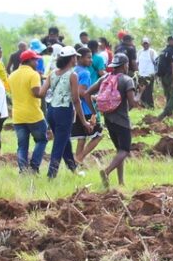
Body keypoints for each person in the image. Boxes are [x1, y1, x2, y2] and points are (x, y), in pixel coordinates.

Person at [91, 54, 137, 188]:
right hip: (122, 121)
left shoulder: (105, 77)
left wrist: (94, 112)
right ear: (124, 65)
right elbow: (132, 102)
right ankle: (106, 172)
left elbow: (87, 93)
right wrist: (140, 94)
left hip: (109, 120)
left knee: (119, 151)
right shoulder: (127, 80)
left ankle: (121, 182)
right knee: (125, 150)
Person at [44, 50, 83, 179]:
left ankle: (73, 170)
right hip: (64, 111)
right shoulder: (73, 75)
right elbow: (76, 100)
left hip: (51, 111)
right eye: (75, 56)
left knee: (64, 141)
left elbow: (42, 92)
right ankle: (51, 175)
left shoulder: (52, 74)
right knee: (59, 144)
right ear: (71, 58)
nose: (76, 58)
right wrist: (84, 121)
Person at [7, 49, 48, 173]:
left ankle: (23, 170)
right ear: (29, 61)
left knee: (22, 145)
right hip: (34, 115)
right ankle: (34, 167)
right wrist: (46, 87)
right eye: (35, 60)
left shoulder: (12, 75)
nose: (36, 62)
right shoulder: (33, 74)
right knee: (42, 140)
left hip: (18, 116)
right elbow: (37, 93)